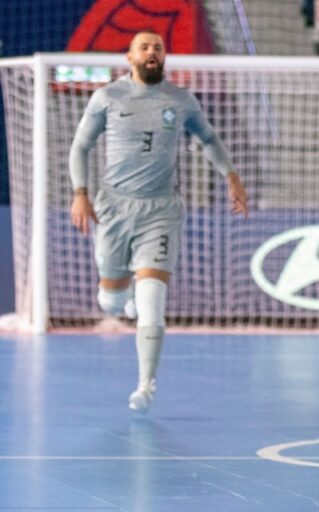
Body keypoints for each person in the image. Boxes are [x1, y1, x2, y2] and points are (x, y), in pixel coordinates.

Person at [68, 31, 248, 412]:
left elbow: (209, 139)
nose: (152, 52)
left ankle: (145, 385)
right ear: (130, 57)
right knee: (111, 303)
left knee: (153, 302)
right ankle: (123, 300)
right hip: (114, 208)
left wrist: (231, 175)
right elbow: (81, 146)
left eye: (158, 48)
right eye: (144, 47)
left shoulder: (180, 100)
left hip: (161, 210)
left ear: (164, 57)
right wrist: (80, 193)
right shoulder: (108, 98)